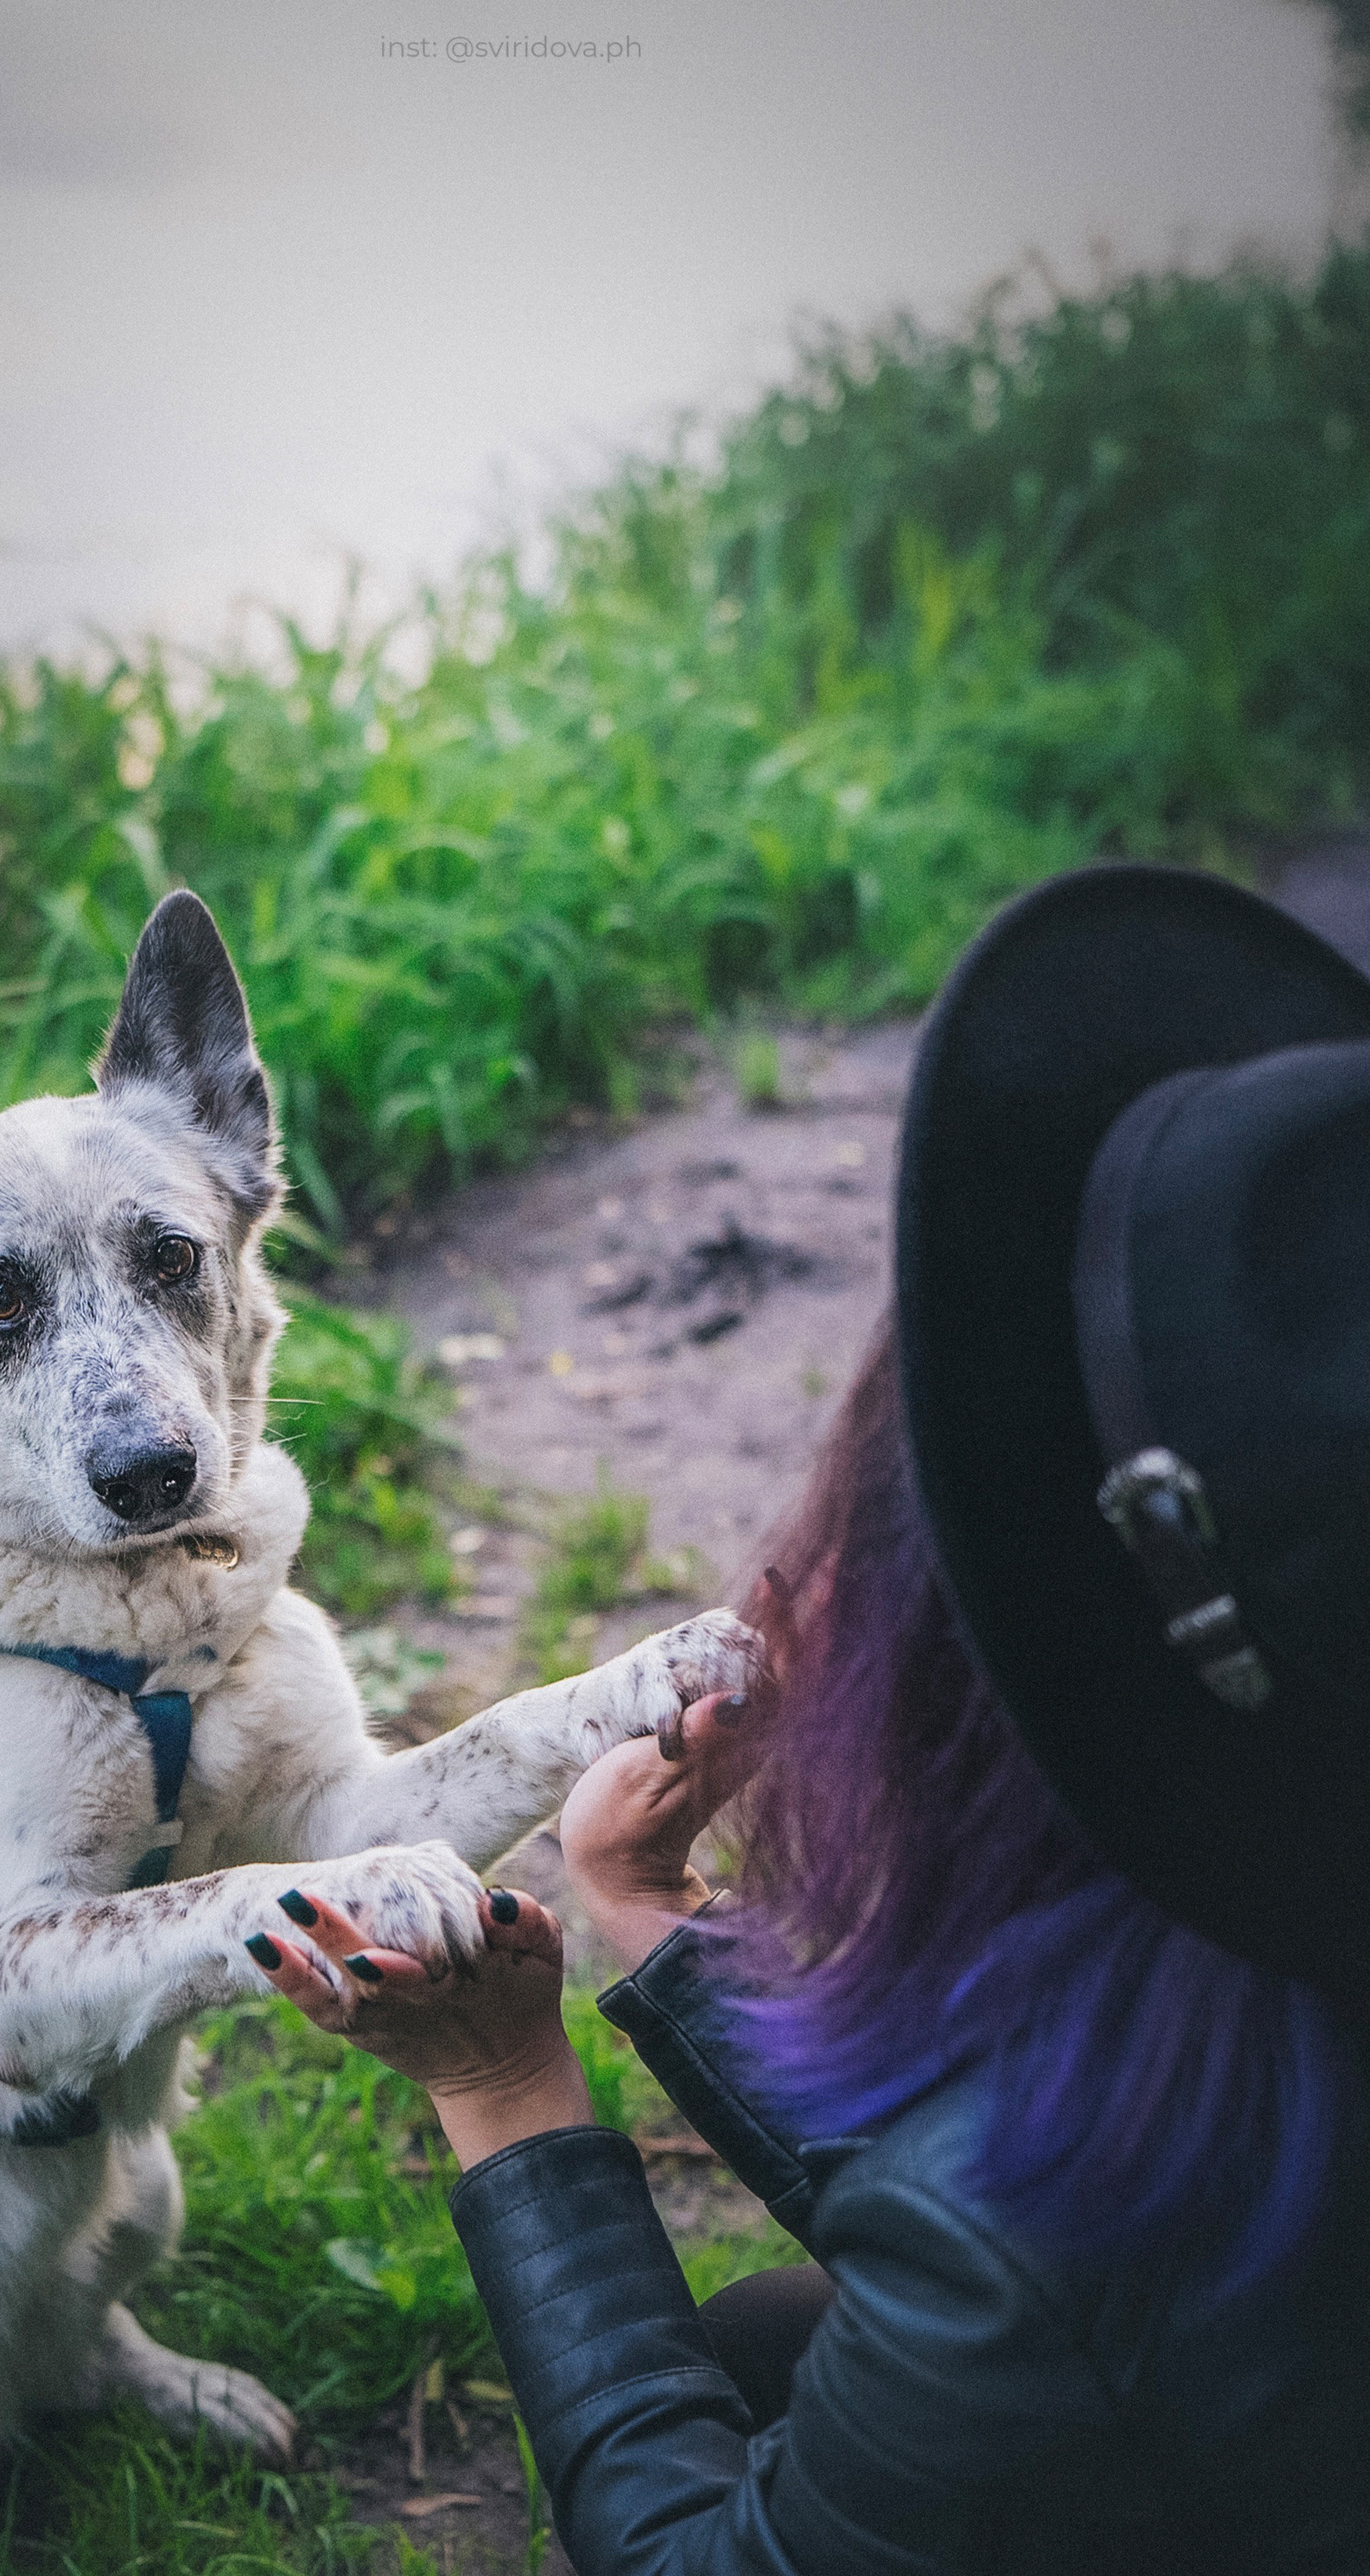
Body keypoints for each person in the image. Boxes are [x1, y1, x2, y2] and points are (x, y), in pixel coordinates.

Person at [250, 866, 1370, 2573]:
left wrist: (503, 2084)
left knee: (756, 2365)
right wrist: (647, 1913)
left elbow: (985, 2293)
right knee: (776, 2337)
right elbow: (1043, 2258)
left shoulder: (1042, 2240)